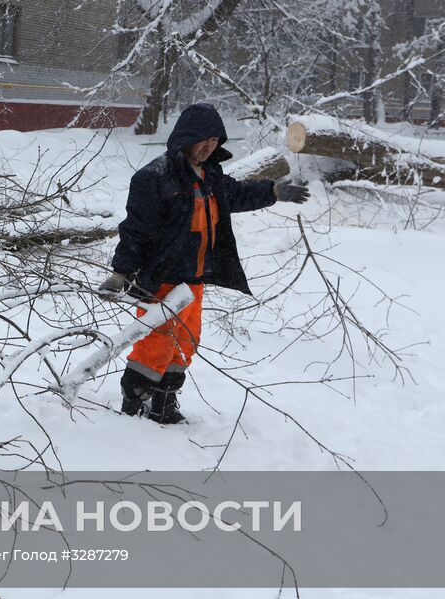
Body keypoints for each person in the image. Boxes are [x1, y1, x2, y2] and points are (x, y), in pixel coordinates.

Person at [98, 103, 310, 424]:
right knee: (155, 344)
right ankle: (134, 406)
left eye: (215, 140)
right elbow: (135, 229)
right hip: (161, 280)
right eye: (203, 139)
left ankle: (164, 404)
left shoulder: (210, 176)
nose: (209, 146)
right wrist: (120, 272)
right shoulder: (155, 178)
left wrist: (274, 191)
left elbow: (238, 194)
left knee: (185, 343)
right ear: (186, 137)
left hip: (193, 282)